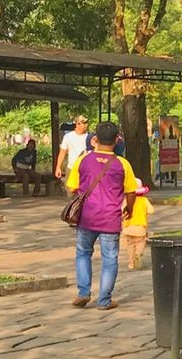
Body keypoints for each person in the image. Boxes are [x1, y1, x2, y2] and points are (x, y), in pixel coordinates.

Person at [66, 120, 138, 310]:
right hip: (110, 219)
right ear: (117, 140)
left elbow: (71, 187)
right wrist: (129, 208)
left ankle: (83, 292)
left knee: (83, 253)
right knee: (109, 259)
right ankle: (104, 300)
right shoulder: (122, 164)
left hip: (86, 217)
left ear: (95, 139)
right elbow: (131, 192)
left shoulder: (83, 160)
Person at [121, 182, 153, 270]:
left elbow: (121, 211)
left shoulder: (126, 200)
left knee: (130, 245)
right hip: (140, 227)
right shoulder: (144, 200)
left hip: (128, 227)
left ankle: (131, 263)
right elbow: (151, 210)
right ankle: (138, 253)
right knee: (140, 243)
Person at [55, 115, 91, 180]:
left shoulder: (90, 137)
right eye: (84, 123)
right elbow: (62, 152)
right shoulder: (68, 136)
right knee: (70, 189)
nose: (86, 125)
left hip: (86, 169)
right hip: (71, 168)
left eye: (86, 123)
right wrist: (58, 167)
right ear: (77, 124)